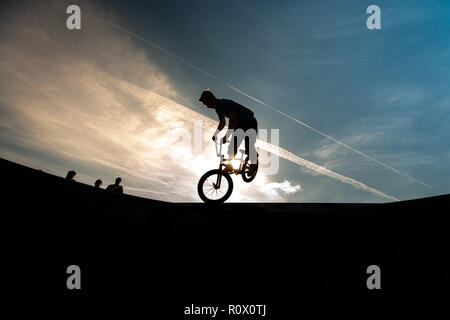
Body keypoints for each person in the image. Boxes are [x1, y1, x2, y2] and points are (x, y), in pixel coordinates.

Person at [198, 89, 258, 167]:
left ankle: (253, 160)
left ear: (211, 98)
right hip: (240, 124)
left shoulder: (223, 104)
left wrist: (226, 136)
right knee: (232, 147)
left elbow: (233, 119)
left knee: (248, 146)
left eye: (207, 104)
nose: (207, 107)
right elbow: (222, 123)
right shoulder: (218, 109)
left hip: (250, 122)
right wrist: (215, 134)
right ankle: (230, 165)